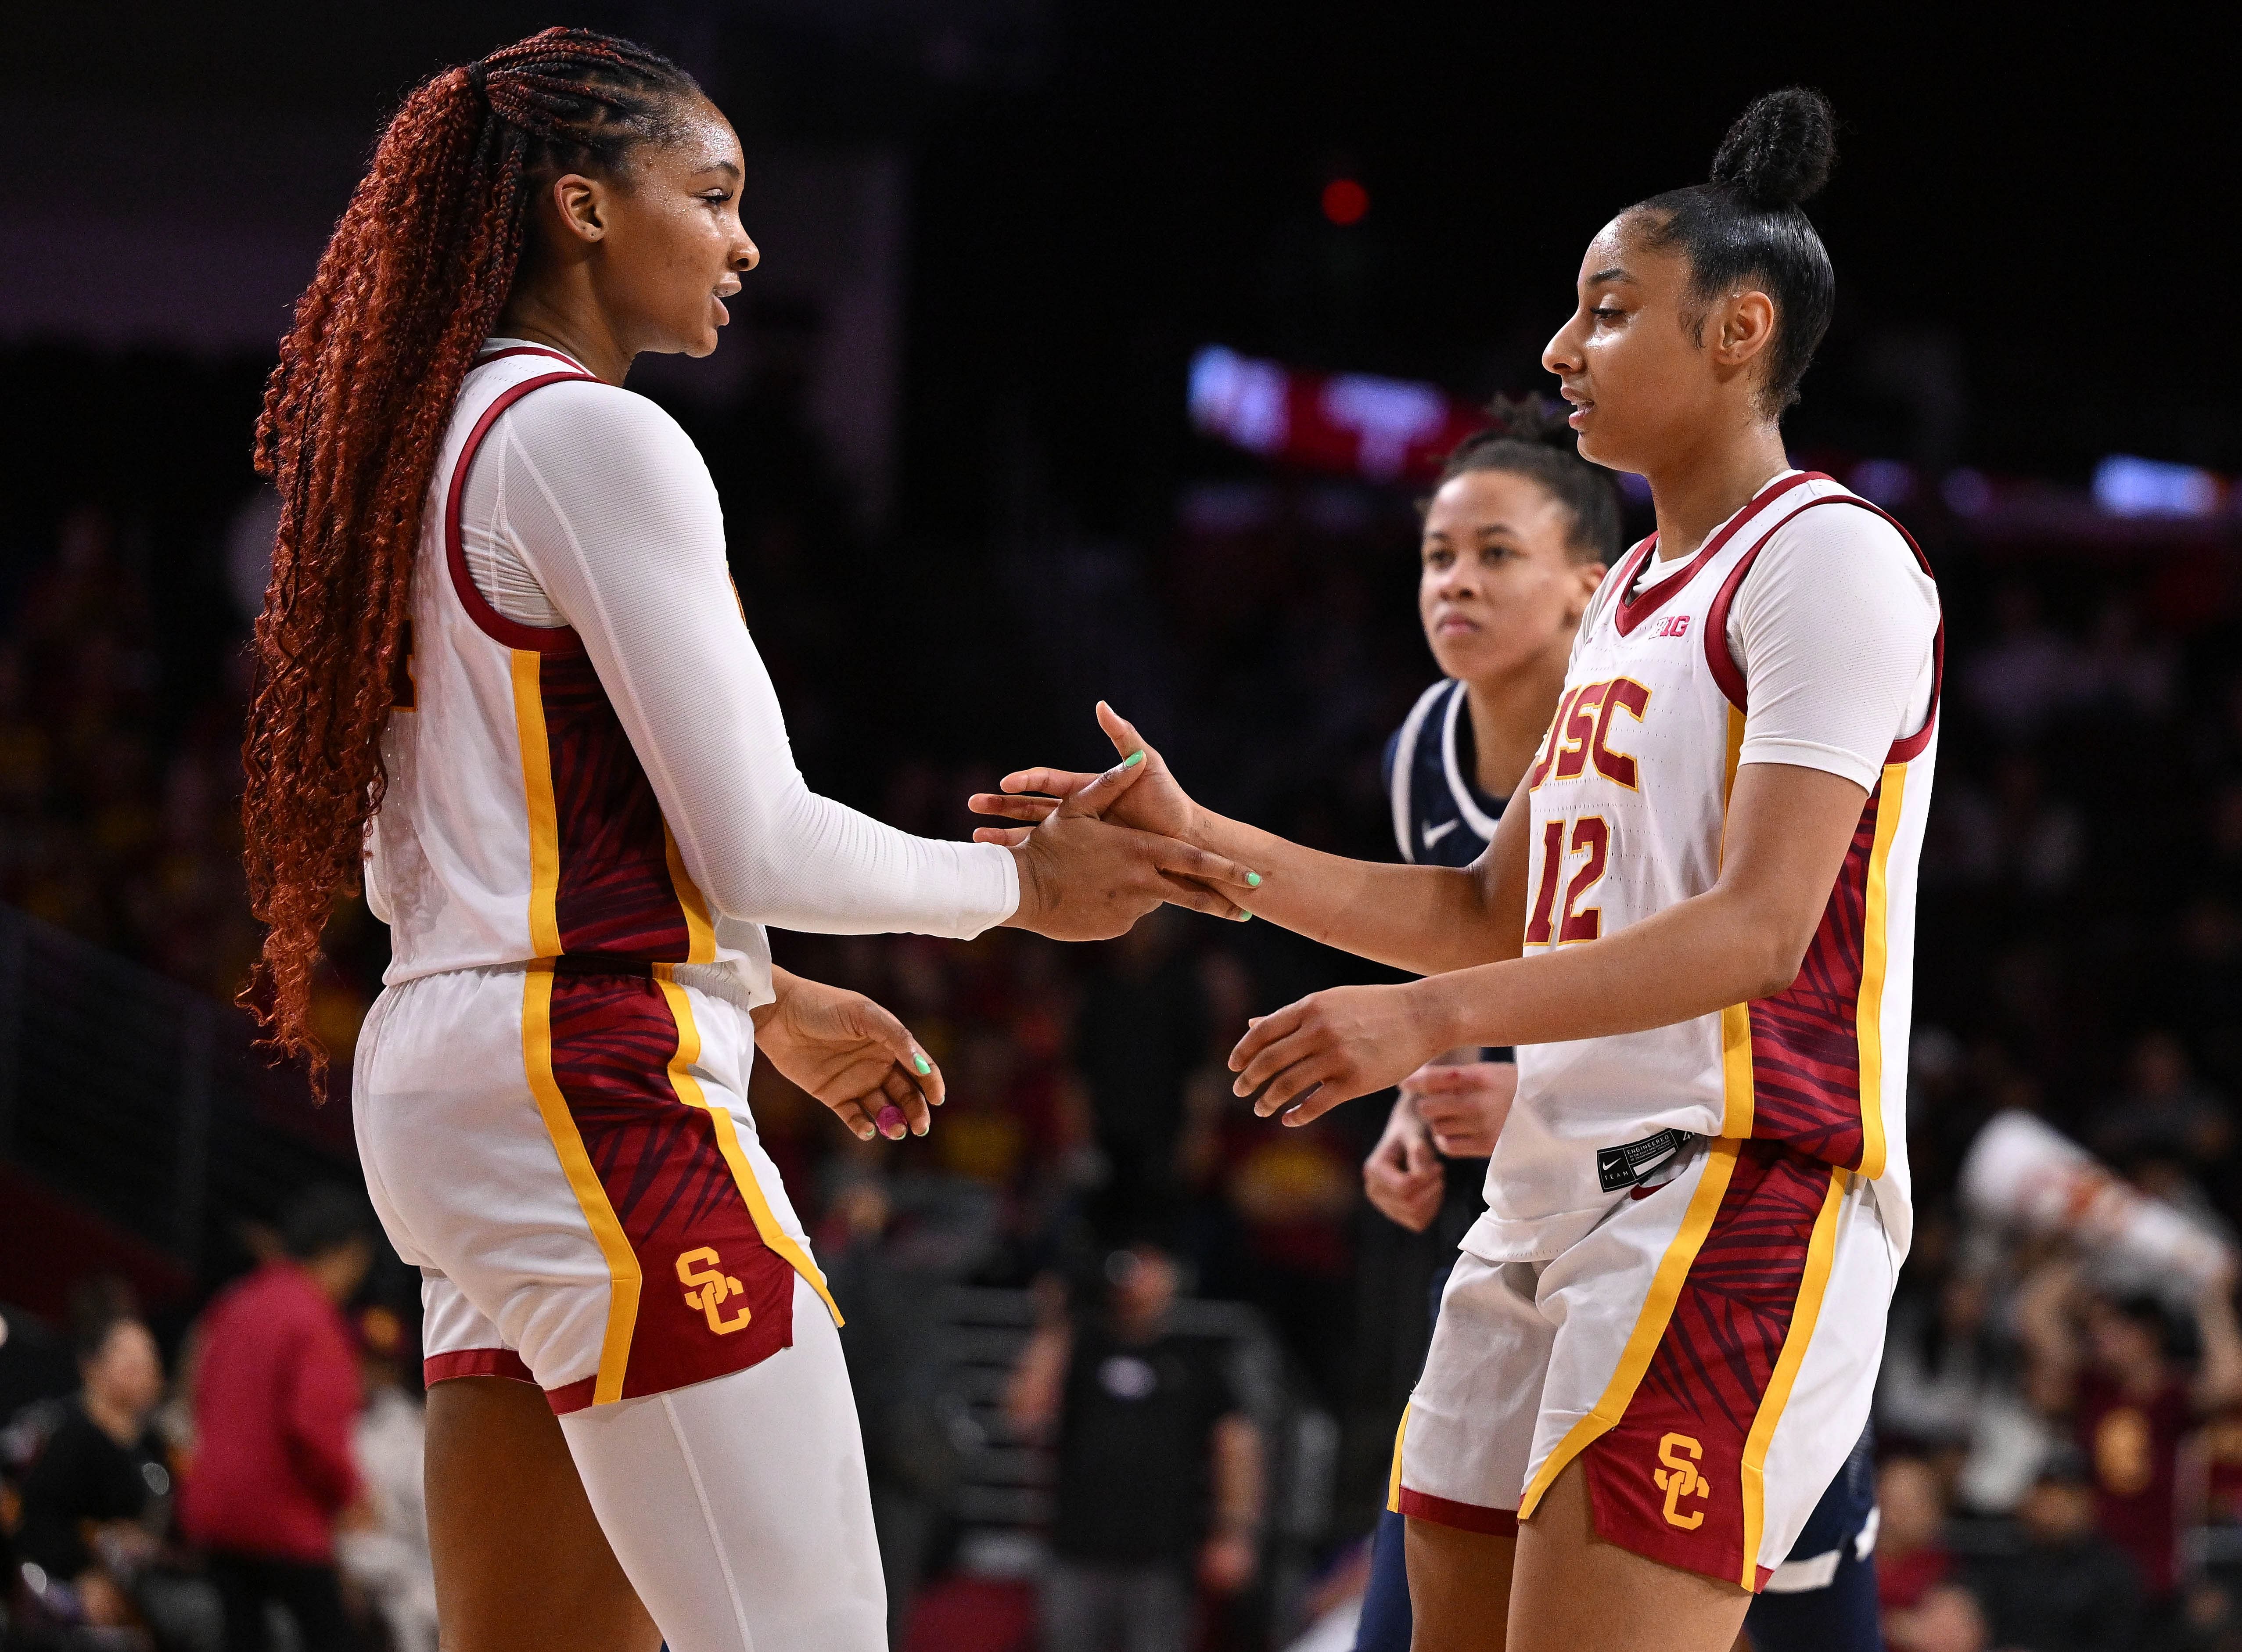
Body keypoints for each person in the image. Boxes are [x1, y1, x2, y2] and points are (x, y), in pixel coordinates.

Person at [235, 29, 1258, 1652]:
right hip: (588, 1080)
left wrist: (760, 997)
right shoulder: (593, 437)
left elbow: (437, 854)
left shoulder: (410, 456)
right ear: (581, 207)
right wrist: (1018, 887)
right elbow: (763, 838)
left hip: (452, 1085)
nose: (745, 240)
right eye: (709, 196)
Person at [977, 88, 1937, 1652]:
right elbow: (1489, 907)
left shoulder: (1825, 559)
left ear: (1738, 331)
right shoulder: (1628, 594)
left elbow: (1763, 931)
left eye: (1605, 311)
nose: (1559, 350)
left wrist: (1420, 1025)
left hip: (1728, 1195)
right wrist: (1204, 842)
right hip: (1541, 1198)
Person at [1006, 1243, 1264, 1652]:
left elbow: (1237, 1447)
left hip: (1163, 1556)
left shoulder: (1196, 1360)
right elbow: (1025, 1414)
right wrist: (1054, 1323)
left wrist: (1234, 1532)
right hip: (1077, 1550)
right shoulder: (1081, 1347)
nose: (1138, 1278)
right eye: (1130, 1265)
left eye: (1150, 1266)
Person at [181, 1188, 375, 1652]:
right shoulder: (315, 1319)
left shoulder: (236, 1302)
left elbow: (199, 1390)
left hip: (214, 1508)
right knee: (334, 1638)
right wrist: (350, 1495)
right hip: (280, 1517)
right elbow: (315, 1430)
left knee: (243, 1638)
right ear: (343, 1251)